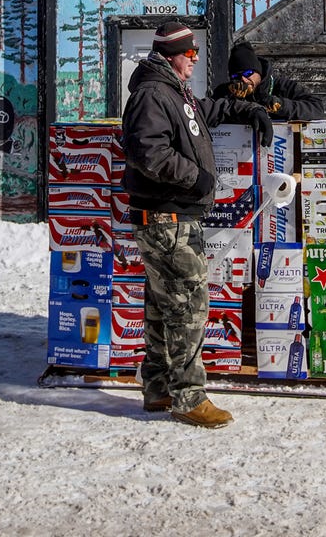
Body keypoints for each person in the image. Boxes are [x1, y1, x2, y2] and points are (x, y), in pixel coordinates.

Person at [121, 22, 272, 428]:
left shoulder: (173, 92)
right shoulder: (153, 94)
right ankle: (188, 396)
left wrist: (251, 109)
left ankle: (157, 387)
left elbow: (209, 110)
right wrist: (198, 177)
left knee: (162, 306)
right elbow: (147, 152)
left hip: (173, 217)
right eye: (191, 53)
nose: (196, 58)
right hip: (166, 218)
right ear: (174, 54)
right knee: (190, 305)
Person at [214, 41, 325, 122]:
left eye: (248, 73)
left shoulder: (282, 86)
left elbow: (317, 108)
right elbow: (213, 111)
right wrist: (231, 96)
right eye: (236, 76)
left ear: (259, 72)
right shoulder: (226, 90)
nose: (243, 79)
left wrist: (282, 106)